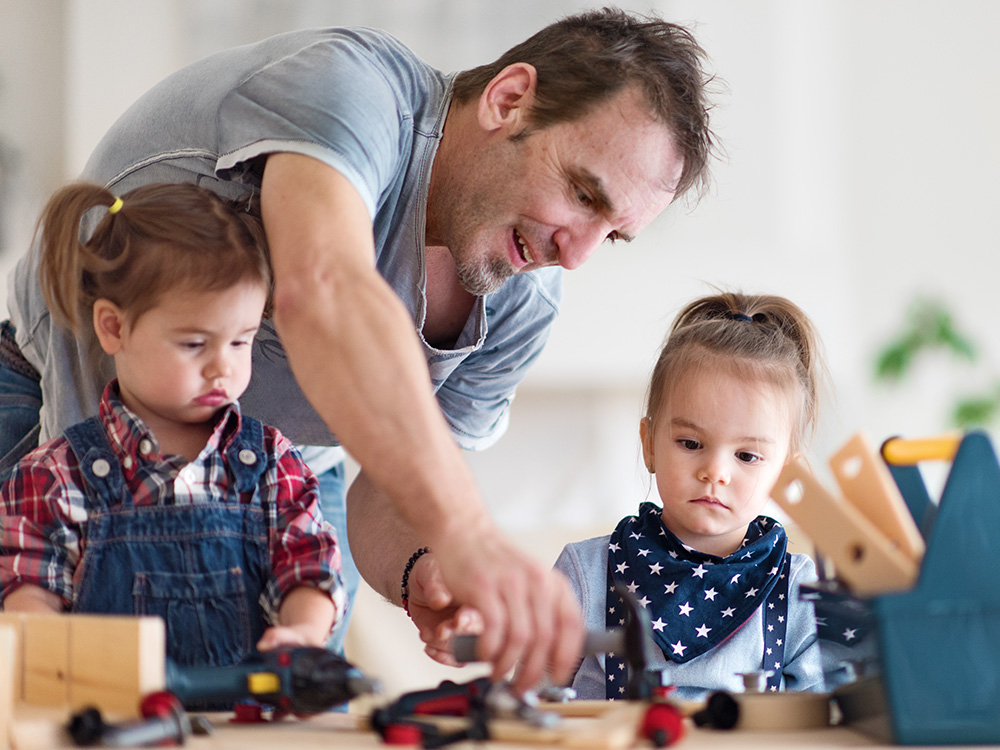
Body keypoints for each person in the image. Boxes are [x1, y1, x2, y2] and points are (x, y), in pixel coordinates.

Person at [0, 7, 717, 689]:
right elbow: (323, 290)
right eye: (583, 195)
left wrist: (424, 564)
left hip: (274, 480)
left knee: (292, 706)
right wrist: (465, 530)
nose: (579, 255)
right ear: (509, 100)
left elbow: (392, 482)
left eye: (613, 234)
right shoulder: (351, 89)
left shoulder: (523, 301)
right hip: (50, 426)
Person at [0, 182, 344, 670]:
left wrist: (303, 631)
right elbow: (27, 595)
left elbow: (310, 565)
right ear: (113, 327)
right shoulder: (55, 476)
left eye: (241, 342)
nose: (222, 368)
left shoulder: (272, 464)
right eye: (194, 344)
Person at [554, 291, 827, 700]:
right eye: (690, 443)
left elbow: (827, 720)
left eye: (747, 455)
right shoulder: (585, 574)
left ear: (785, 472)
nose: (715, 472)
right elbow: (529, 707)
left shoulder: (798, 589)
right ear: (649, 444)